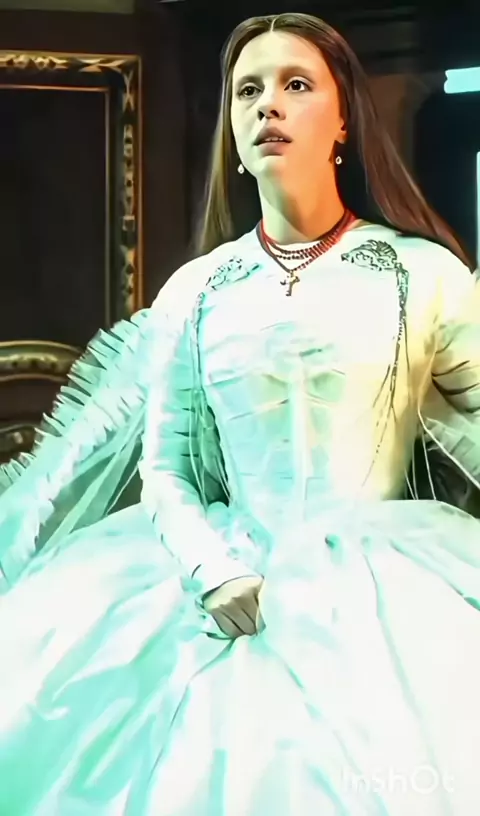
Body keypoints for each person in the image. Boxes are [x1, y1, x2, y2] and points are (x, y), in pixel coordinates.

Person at [0, 11, 480, 815]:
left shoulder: (421, 274)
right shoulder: (197, 289)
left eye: (296, 85)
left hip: (385, 593)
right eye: (248, 91)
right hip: (219, 583)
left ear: (343, 118)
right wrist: (208, 567)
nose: (269, 106)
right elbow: (167, 465)